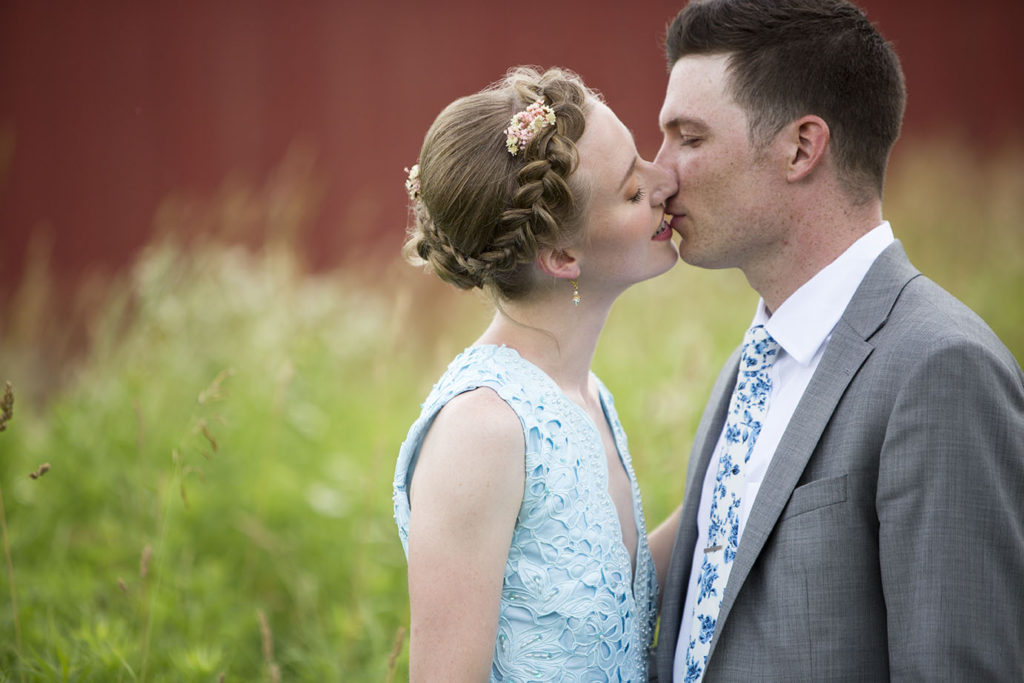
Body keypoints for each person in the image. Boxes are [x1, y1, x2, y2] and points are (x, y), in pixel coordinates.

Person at [650, 0, 1024, 681]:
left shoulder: (941, 365)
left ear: (801, 146)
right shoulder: (748, 364)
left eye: (690, 138)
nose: (659, 173)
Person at [392, 66, 683, 681]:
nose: (667, 181)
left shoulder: (582, 392)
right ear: (561, 256)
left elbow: (606, 605)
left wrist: (743, 477)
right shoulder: (482, 429)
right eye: (633, 191)